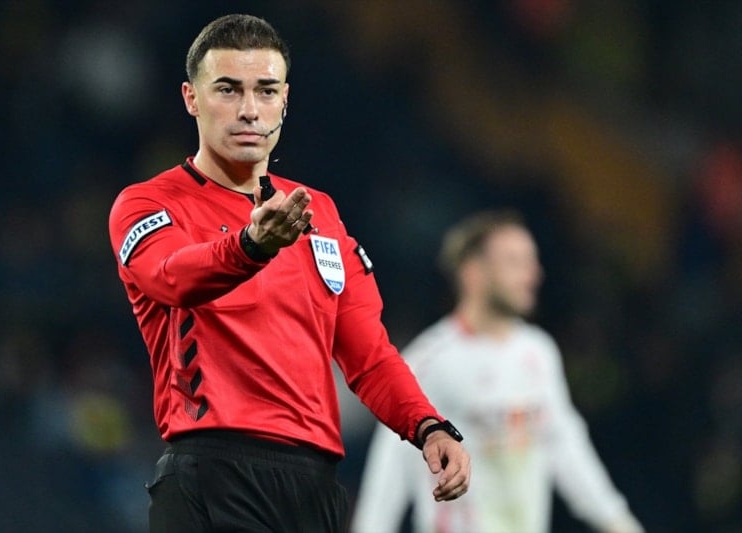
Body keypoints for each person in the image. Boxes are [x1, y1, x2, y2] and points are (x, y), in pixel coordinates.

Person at [107, 13, 470, 532]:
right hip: (213, 476)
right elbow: (171, 278)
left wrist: (427, 425)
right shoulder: (149, 204)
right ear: (191, 98)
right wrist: (250, 247)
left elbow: (368, 355)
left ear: (284, 100)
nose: (249, 109)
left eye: (265, 90)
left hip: (313, 489)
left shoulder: (320, 215)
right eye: (228, 90)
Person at [351, 210, 644, 533]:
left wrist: (616, 520)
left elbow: (564, 444)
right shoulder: (430, 361)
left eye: (531, 262)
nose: (533, 274)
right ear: (473, 273)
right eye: (514, 262)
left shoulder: (538, 351)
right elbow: (390, 468)